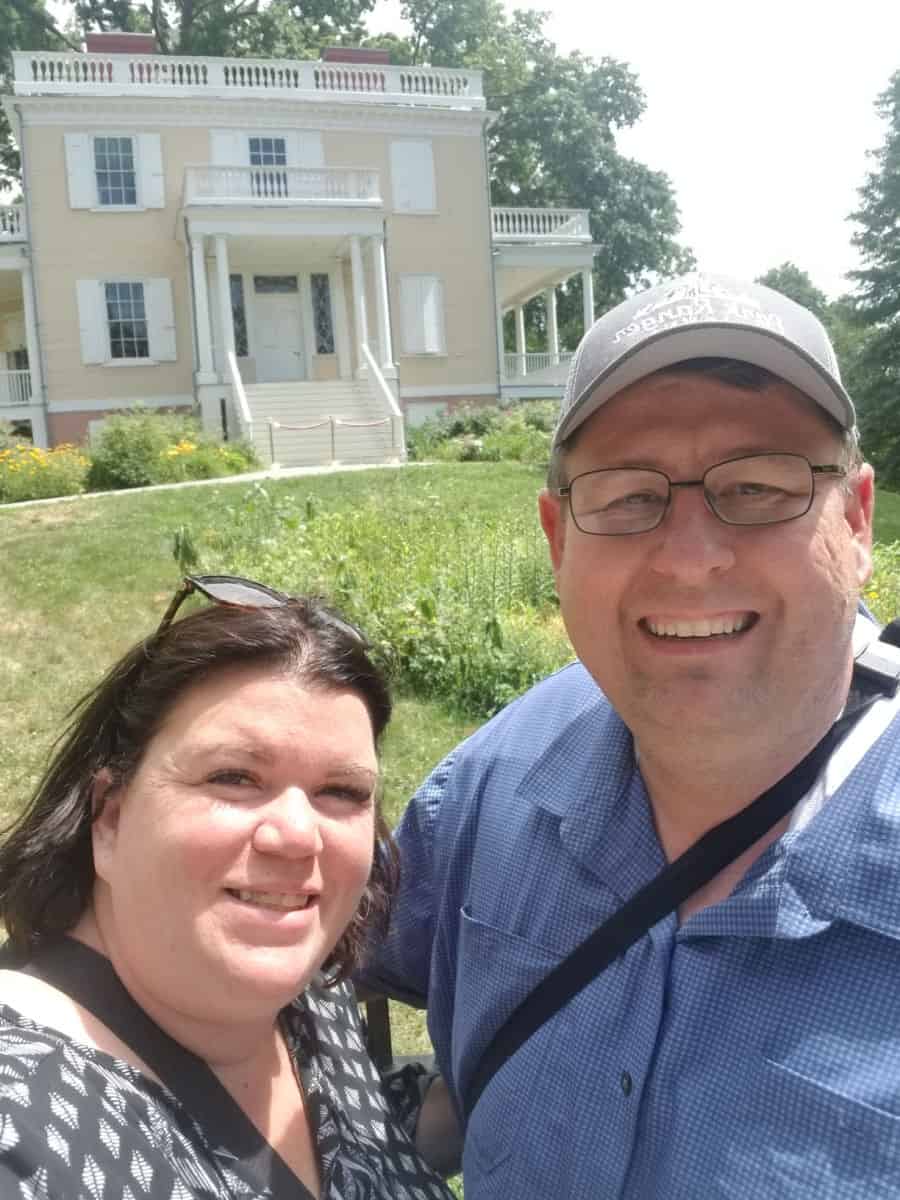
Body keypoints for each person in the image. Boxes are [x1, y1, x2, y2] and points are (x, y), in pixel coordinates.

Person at [360, 273, 900, 1198]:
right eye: (625, 496)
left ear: (855, 519)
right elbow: (337, 988)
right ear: (558, 539)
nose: (690, 559)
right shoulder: (487, 787)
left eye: (760, 486)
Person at [0, 576, 455, 1200]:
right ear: (109, 815)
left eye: (341, 792)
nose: (298, 835)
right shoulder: (24, 1118)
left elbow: (351, 1136)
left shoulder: (310, 1001)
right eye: (234, 777)